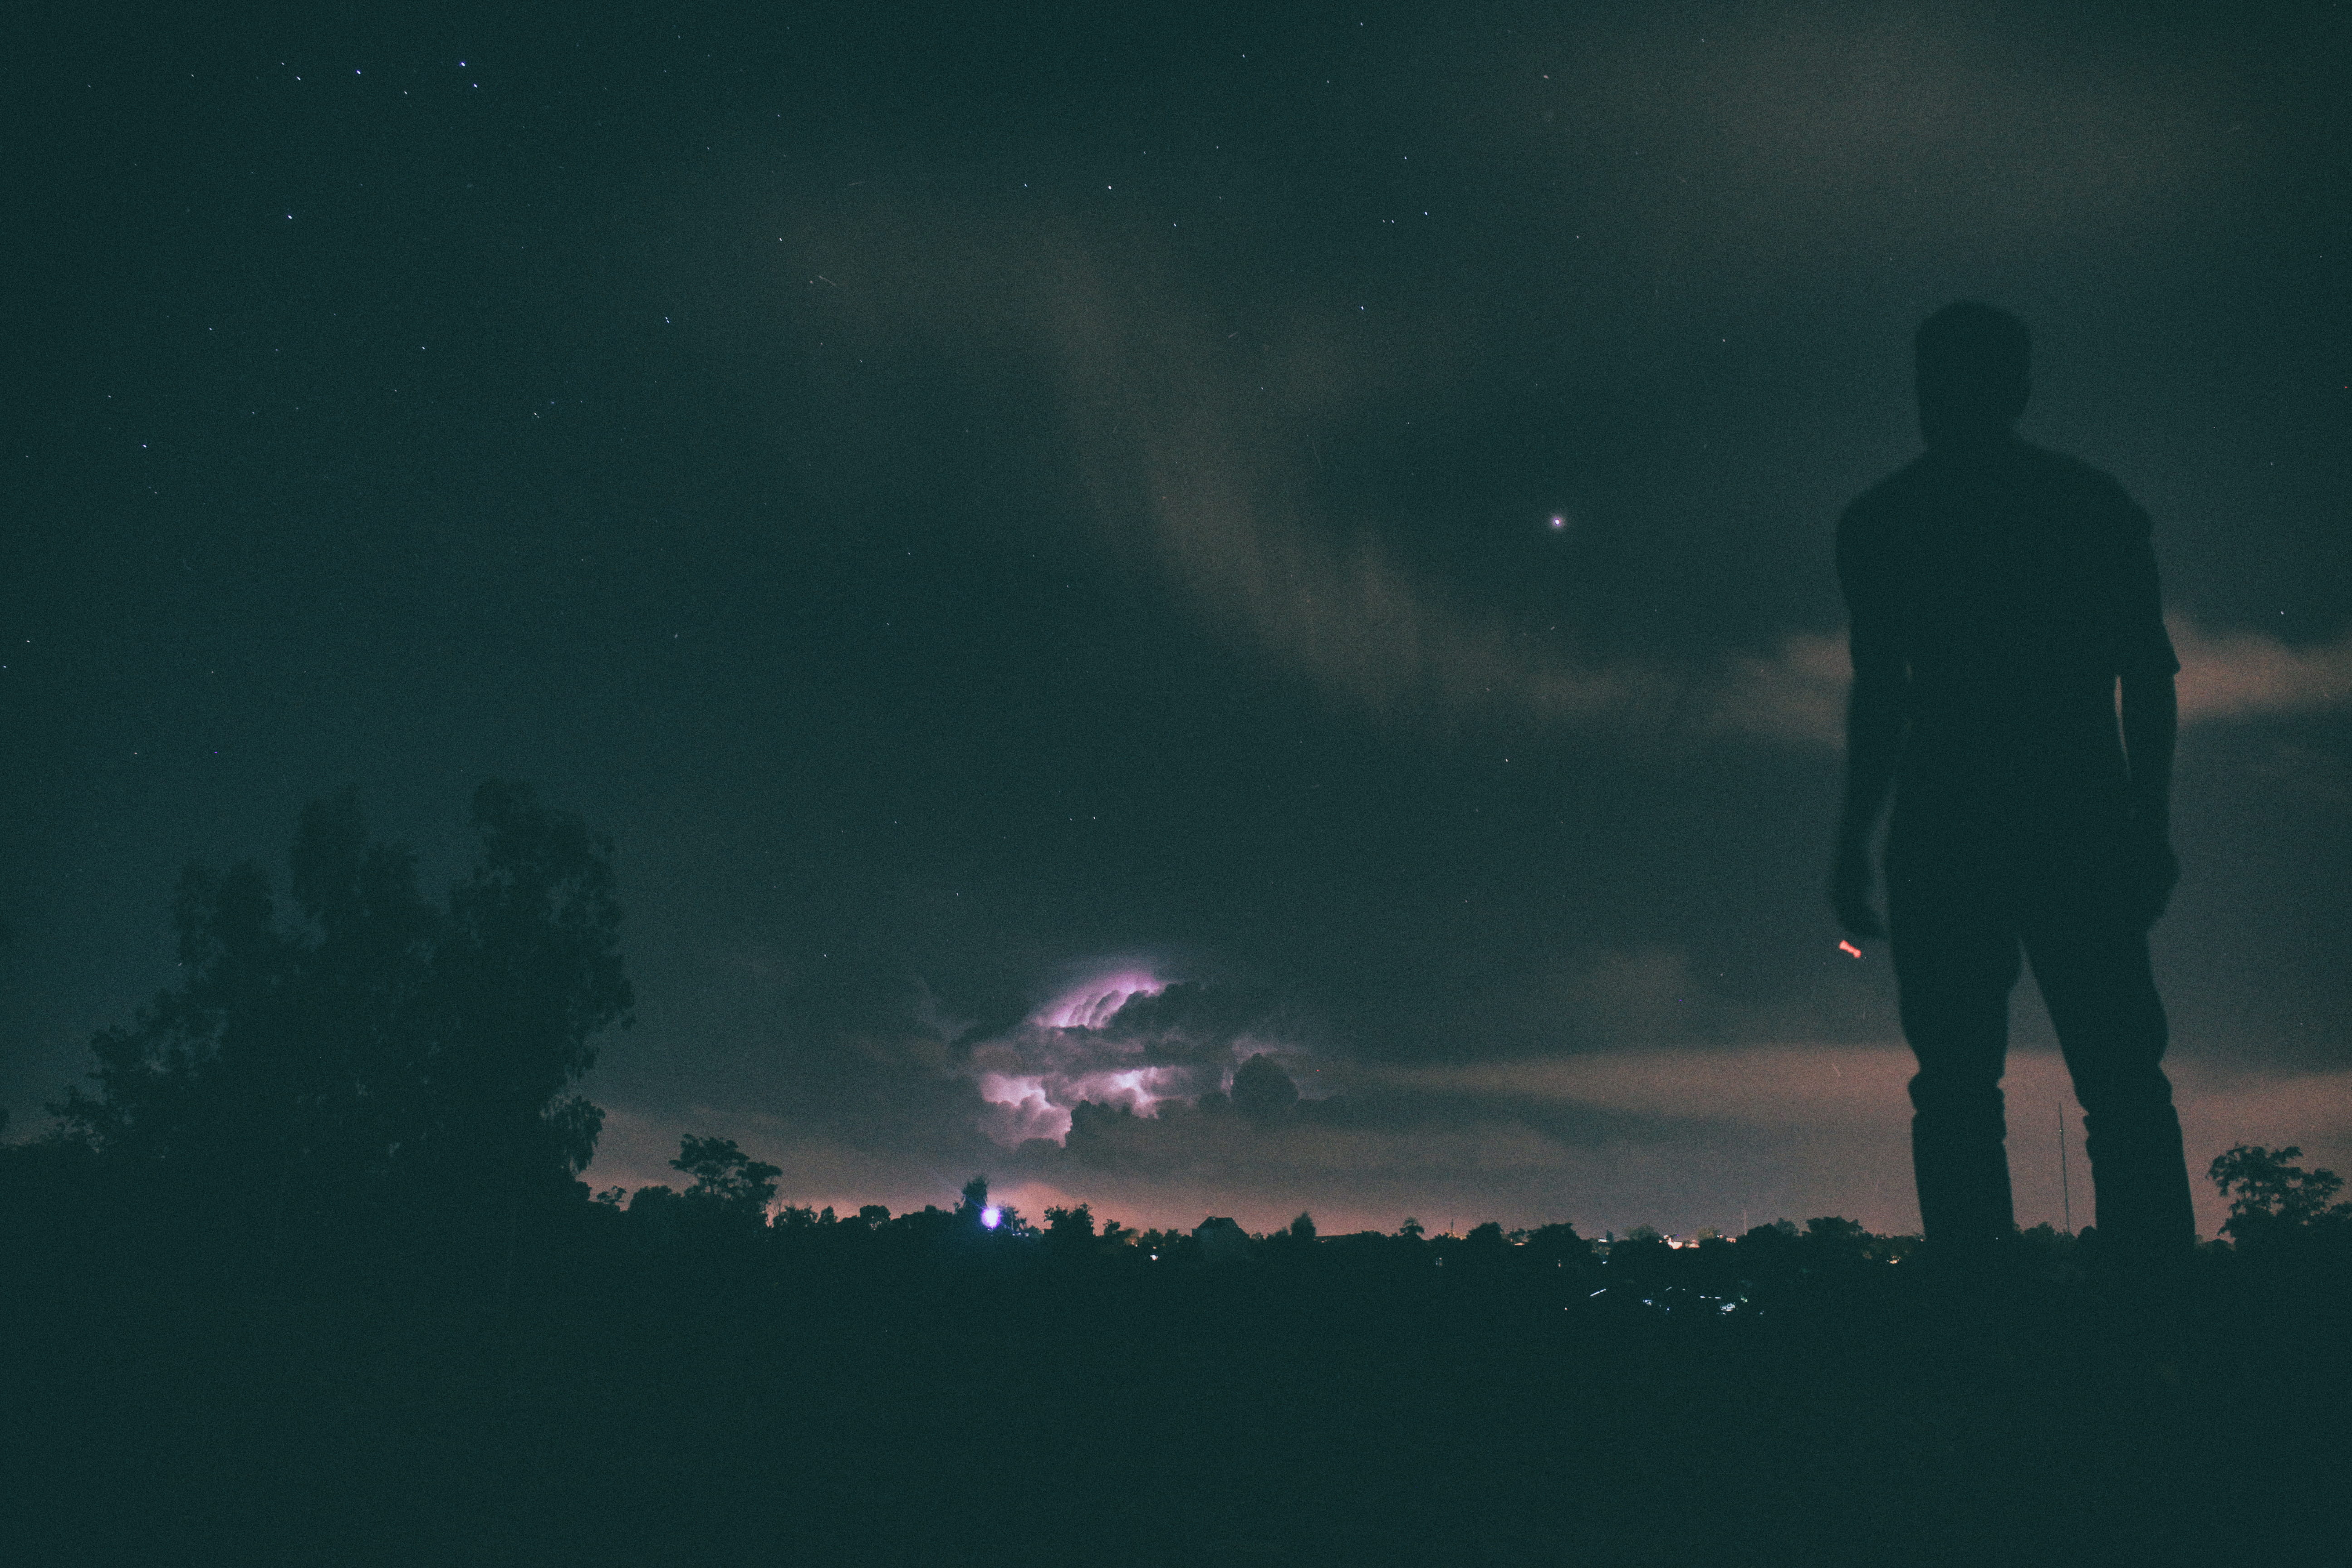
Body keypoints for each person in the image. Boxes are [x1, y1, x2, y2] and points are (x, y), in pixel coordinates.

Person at [1829, 301, 2195, 1271]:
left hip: (1949, 824)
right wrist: (2148, 825)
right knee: (2119, 1079)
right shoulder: (2090, 506)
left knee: (1957, 1088)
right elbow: (2146, 677)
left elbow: (1884, 701)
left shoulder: (1884, 523)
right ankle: (2154, 1311)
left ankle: (1981, 1317)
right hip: (2076, 813)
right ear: (2019, 389)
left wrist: (1853, 841)